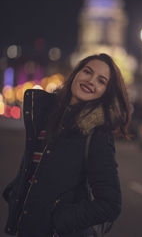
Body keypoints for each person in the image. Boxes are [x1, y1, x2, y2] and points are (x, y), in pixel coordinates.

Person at [3, 53, 131, 237]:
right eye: (87, 72)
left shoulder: (97, 133)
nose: (91, 81)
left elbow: (110, 204)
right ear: (76, 73)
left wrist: (60, 222)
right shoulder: (46, 114)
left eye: (101, 81)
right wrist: (15, 192)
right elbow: (35, 165)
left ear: (106, 92)